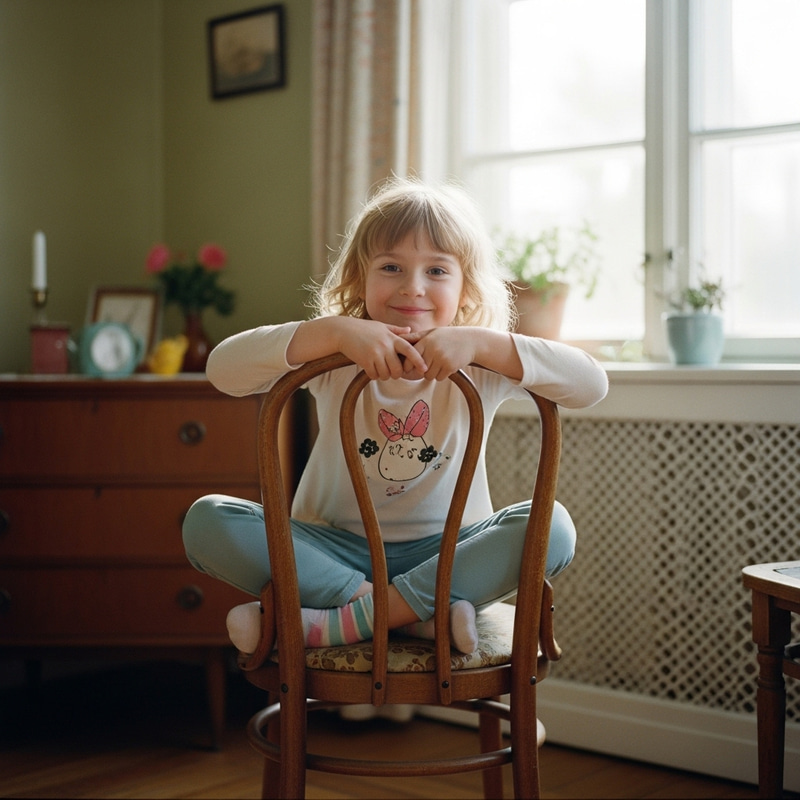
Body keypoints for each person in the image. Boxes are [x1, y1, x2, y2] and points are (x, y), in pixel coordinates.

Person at [182, 178, 608, 657]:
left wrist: (483, 342)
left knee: (554, 526)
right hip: (331, 552)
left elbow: (592, 384)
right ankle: (413, 618)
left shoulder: (479, 366)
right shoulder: (335, 359)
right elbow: (222, 370)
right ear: (359, 278)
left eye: (437, 271)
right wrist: (335, 332)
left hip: (445, 556)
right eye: (391, 267)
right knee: (206, 520)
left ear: (466, 288)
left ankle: (343, 620)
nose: (413, 287)